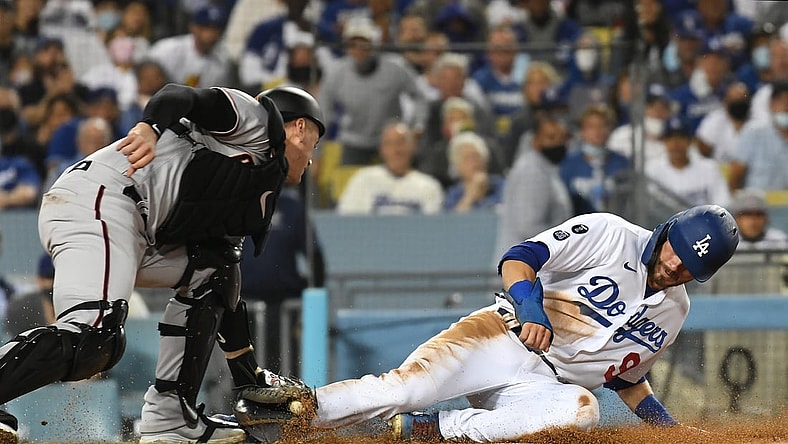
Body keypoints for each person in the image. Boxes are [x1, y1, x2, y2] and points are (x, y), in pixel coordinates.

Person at [240, 204, 739, 442]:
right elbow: (521, 257)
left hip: (544, 387)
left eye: (692, 267)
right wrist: (529, 307)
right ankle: (292, 411)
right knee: (403, 388)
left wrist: (667, 428)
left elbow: (627, 376)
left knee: (584, 410)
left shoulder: (676, 311)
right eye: (678, 251)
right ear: (669, 229)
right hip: (501, 336)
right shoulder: (611, 234)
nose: (676, 266)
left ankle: (430, 432)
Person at [0, 83, 326, 444]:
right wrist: (149, 127)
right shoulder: (258, 120)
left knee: (215, 271)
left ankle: (171, 420)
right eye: (315, 140)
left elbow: (225, 280)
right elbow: (180, 96)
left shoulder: (257, 186)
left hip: (135, 227)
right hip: (101, 200)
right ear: (299, 127)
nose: (313, 157)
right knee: (94, 339)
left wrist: (247, 373)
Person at [318, 16, 427, 167]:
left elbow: (420, 96)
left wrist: (417, 126)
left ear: (375, 45)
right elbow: (322, 114)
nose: (358, 49)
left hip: (390, 138)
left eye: (364, 44)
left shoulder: (396, 68)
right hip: (354, 140)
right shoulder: (336, 73)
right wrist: (316, 154)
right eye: (353, 44)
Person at [494, 114, 573, 262]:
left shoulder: (545, 168)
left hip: (531, 264)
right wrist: (567, 239)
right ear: (536, 141)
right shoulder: (532, 171)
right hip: (524, 268)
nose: (558, 143)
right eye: (550, 137)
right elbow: (527, 226)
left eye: (562, 138)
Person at [336, 121, 444, 215]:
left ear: (412, 146)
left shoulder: (430, 186)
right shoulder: (363, 179)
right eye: (389, 144)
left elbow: (432, 228)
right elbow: (346, 219)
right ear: (382, 150)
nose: (396, 150)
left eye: (401, 142)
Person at [646, 117, 731, 208]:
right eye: (670, 138)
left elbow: (722, 206)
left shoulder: (709, 168)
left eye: (681, 137)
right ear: (664, 141)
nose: (675, 143)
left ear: (690, 141)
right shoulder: (651, 170)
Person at [728, 81, 788, 191]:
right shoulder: (754, 132)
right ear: (771, 105)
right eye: (785, 104)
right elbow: (735, 178)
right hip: (757, 205)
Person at [442, 132, 505, 213]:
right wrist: (470, 197)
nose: (474, 162)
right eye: (467, 158)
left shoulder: (502, 186)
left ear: (485, 161)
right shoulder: (453, 194)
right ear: (457, 166)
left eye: (477, 156)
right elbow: (452, 223)